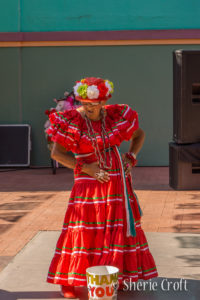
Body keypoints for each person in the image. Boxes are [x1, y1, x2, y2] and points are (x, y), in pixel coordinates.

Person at [46, 77, 158, 298]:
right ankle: (69, 280)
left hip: (116, 181)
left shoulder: (115, 115)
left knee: (115, 227)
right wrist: (86, 168)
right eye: (84, 103)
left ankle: (118, 274)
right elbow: (56, 154)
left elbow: (139, 135)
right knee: (83, 227)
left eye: (94, 104)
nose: (89, 108)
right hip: (87, 181)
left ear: (103, 101)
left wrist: (131, 157)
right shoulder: (71, 120)